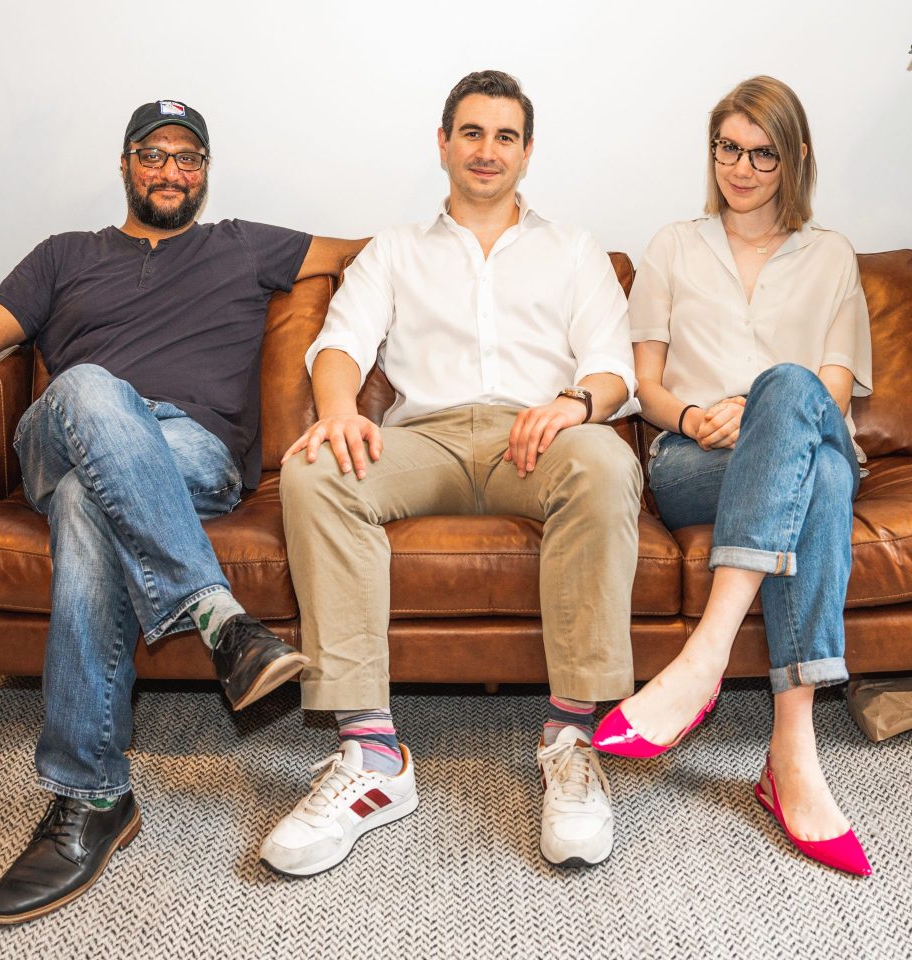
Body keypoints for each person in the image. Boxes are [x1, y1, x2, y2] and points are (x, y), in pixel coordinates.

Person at [0, 99, 365, 922]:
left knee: (85, 508)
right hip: (61, 438)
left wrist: (476, 230)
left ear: (205, 172)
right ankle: (219, 619)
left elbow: (370, 252)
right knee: (89, 387)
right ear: (125, 164)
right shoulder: (64, 255)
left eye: (187, 157)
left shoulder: (244, 244)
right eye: (152, 154)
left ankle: (92, 798)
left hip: (193, 455)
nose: (171, 170)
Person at [265, 70, 642, 875]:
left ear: (527, 152)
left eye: (505, 136)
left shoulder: (574, 249)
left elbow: (614, 367)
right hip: (425, 440)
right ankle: (371, 756)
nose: (487, 150)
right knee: (316, 469)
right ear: (443, 143)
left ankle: (570, 738)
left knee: (607, 459)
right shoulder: (395, 249)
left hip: (536, 437)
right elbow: (339, 344)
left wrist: (575, 403)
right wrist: (338, 411)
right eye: (471, 132)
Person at [591, 76, 874, 877]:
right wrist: (689, 418)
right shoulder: (673, 247)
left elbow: (834, 391)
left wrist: (762, 409)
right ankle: (791, 759)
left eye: (763, 153)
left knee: (794, 401)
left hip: (799, 436)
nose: (742, 168)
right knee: (820, 478)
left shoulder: (832, 255)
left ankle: (705, 662)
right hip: (694, 461)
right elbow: (645, 384)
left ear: (797, 158)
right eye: (728, 149)